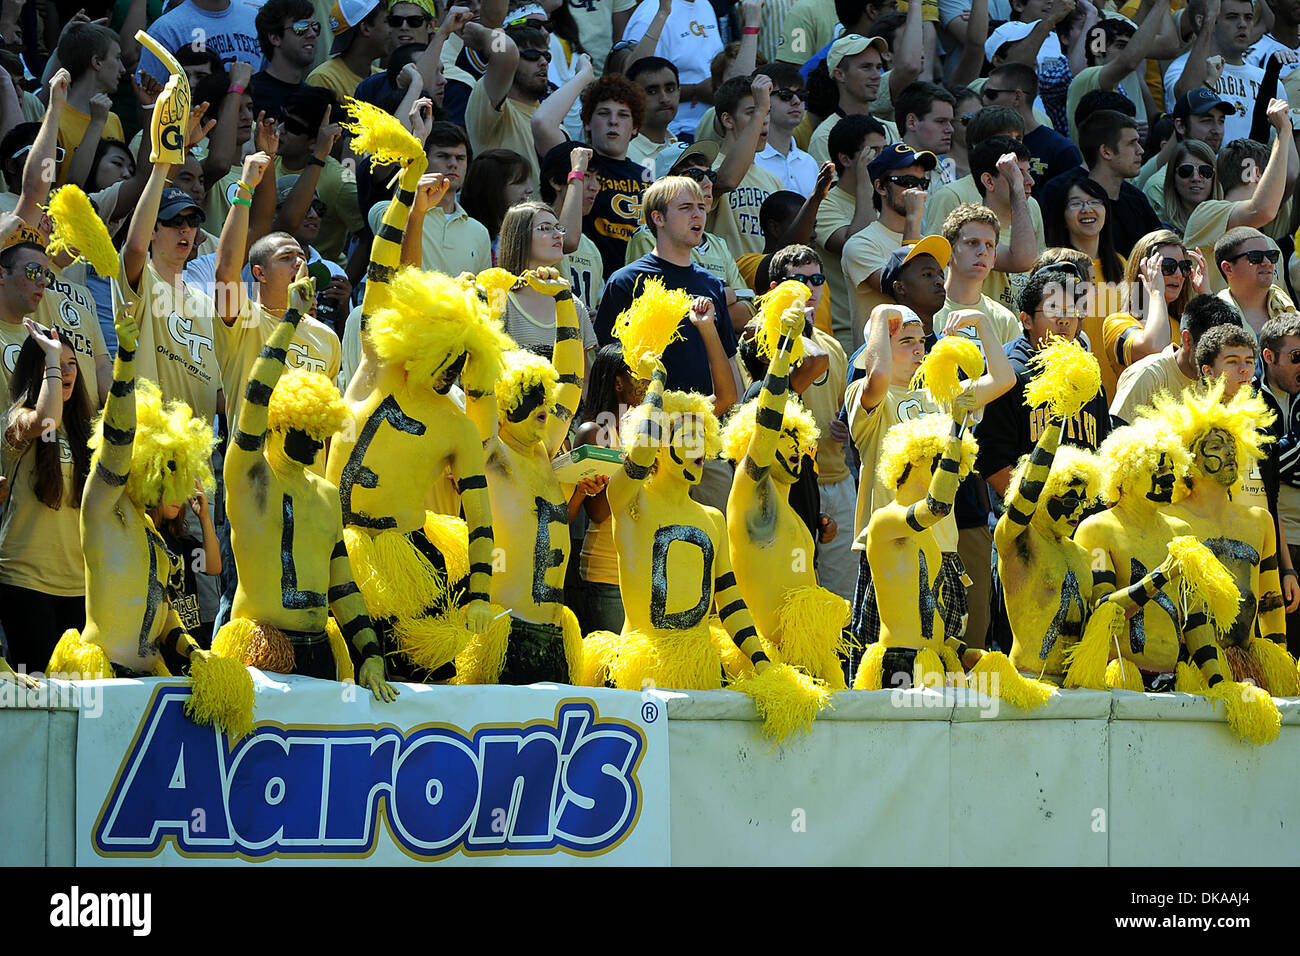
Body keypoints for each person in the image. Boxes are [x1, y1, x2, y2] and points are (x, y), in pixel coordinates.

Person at [328, 113, 511, 682]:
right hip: (334, 552)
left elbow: (480, 518)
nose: (450, 371)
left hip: (413, 566)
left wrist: (480, 592)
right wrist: (407, 194)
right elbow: (385, 278)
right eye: (444, 357)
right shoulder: (378, 370)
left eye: (461, 361)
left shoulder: (455, 423)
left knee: (418, 687)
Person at [220, 268, 397, 700]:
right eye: (309, 430)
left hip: (319, 655)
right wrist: (291, 320)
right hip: (259, 654)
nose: (319, 442)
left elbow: (343, 586)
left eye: (323, 433)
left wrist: (369, 653)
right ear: (280, 424)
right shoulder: (247, 473)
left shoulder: (324, 494)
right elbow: (255, 394)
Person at [847, 300, 1015, 658]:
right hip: (888, 547)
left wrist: (983, 322)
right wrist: (877, 314)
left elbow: (1004, 379)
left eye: (921, 340)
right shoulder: (865, 391)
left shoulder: (940, 397)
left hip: (942, 545)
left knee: (940, 653)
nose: (919, 348)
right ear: (878, 346)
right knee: (885, 653)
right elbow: (877, 377)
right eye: (906, 340)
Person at [723, 303, 850, 688]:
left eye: (800, 440)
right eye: (785, 439)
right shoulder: (751, 493)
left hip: (807, 659)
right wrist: (783, 350)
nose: (796, 449)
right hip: (764, 669)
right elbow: (766, 424)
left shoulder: (791, 514)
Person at [470, 268, 585, 684]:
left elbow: (571, 382)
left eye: (545, 396)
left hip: (554, 634)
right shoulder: (491, 452)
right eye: (530, 396)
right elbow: (479, 387)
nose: (545, 406)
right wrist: (483, 309)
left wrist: (563, 299)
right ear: (504, 406)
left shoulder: (543, 449)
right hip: (503, 631)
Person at [212, 151, 343, 446]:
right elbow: (224, 272)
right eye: (285, 257)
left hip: (311, 484)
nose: (298, 263)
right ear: (259, 273)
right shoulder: (243, 321)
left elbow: (331, 428)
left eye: (300, 256)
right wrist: (245, 190)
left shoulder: (327, 338)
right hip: (253, 477)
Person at [995, 356, 1105, 685]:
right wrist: (1058, 417)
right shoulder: (1016, 540)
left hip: (1075, 687)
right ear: (1045, 496)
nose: (1077, 510)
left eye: (1083, 501)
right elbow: (1026, 492)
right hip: (1028, 682)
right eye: (1069, 500)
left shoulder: (1080, 554)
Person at [0, 321, 92, 674]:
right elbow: (47, 418)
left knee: (77, 699)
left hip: (78, 587)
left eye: (71, 364)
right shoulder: (17, 421)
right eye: (54, 364)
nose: (66, 371)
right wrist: (51, 359)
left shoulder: (86, 429)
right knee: (35, 698)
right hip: (26, 582)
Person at [975, 267, 1112, 497]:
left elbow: (1103, 454)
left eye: (1071, 312)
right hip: (1024, 524)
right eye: (1052, 310)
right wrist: (1033, 512)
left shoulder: (1090, 379)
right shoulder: (1010, 375)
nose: (1064, 321)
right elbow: (992, 461)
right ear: (1026, 320)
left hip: (1082, 521)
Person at [1183, 107, 1298, 294]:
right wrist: (1282, 133)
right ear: (1255, 173)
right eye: (1272, 173)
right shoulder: (1206, 212)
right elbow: (1262, 210)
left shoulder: (1270, 245)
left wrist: (1286, 132)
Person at [571, 342, 643, 635]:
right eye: (640, 374)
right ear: (618, 382)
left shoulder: (647, 430)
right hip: (608, 575)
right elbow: (599, 513)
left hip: (644, 574)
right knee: (610, 677)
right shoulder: (596, 432)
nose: (649, 383)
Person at [841, 142, 935, 348]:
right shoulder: (860, 244)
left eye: (923, 183)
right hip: (877, 366)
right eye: (908, 182)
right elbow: (910, 294)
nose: (918, 190)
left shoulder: (929, 242)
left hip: (921, 359)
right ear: (881, 187)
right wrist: (913, 219)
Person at [1040, 109, 1161, 258]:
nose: (1140, 150)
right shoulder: (1062, 197)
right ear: (1106, 152)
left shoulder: (1137, 200)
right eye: (1132, 143)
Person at [1111, 292, 1245, 426]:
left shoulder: (1221, 381)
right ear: (1187, 340)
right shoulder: (1147, 375)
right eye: (1215, 347)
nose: (1222, 359)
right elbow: (1115, 439)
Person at [1102, 229, 1208, 391]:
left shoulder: (1182, 324)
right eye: (1167, 267)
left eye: (1184, 266)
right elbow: (1156, 351)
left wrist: (1205, 296)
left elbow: (1224, 354)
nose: (1179, 274)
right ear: (1143, 270)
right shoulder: (1117, 323)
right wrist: (1156, 291)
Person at [815, 113, 886, 355]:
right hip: (843, 332)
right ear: (845, 159)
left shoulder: (887, 198)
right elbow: (855, 244)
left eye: (884, 149)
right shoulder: (826, 203)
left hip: (887, 327)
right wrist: (866, 185)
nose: (882, 158)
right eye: (873, 151)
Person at [497, 201, 599, 365]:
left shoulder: (572, 304)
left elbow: (584, 380)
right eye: (546, 228)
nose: (558, 234)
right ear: (518, 236)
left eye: (559, 227)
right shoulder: (498, 299)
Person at [1167, 0, 1281, 145]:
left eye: (1248, 17)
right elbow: (1186, 101)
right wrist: (1208, 23)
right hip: (1199, 166)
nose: (1242, 24)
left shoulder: (1269, 81)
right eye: (1232, 17)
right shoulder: (1181, 69)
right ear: (1206, 21)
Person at [573, 72, 651, 278]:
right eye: (604, 113)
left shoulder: (648, 177)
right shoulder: (577, 164)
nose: (613, 121)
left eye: (623, 115)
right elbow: (542, 123)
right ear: (587, 122)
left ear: (635, 127)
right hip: (590, 280)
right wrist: (583, 74)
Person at [465, 20, 553, 191]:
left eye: (546, 56)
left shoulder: (549, 118)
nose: (543, 62)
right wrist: (482, 32)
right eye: (532, 54)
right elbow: (506, 51)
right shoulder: (491, 104)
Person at [1064, 3, 1169, 144]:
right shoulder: (1083, 77)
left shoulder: (1120, 87)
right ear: (1098, 49)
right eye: (1121, 46)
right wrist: (1160, 5)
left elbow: (1171, 46)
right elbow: (1128, 61)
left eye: (1130, 46)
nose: (1129, 52)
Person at [619, 0, 723, 137]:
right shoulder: (650, 15)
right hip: (674, 133)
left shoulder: (705, 4)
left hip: (714, 126)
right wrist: (695, 91)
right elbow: (632, 82)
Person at [402, 121, 492, 276]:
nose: (453, 164)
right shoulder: (388, 211)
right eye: (443, 156)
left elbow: (484, 293)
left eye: (460, 158)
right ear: (422, 161)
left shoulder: (480, 231)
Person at [965, 135, 1039, 314]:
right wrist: (1017, 186)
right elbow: (1023, 259)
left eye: (1028, 172)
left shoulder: (1026, 226)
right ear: (989, 181)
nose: (1030, 181)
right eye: (1018, 173)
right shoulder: (971, 233)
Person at [54, 22, 126, 187]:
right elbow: (47, 188)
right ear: (97, 62)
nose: (123, 69)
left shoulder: (113, 119)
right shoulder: (51, 124)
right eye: (117, 58)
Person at [807, 33, 893, 166]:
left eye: (878, 67)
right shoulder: (824, 137)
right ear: (840, 74)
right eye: (866, 67)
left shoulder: (892, 129)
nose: (877, 75)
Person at [540, 142, 604, 314]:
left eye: (597, 178)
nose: (595, 187)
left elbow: (598, 303)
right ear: (555, 181)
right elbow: (566, 241)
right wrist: (577, 172)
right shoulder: (533, 228)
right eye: (587, 175)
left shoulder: (591, 248)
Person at [138, 0, 265, 83]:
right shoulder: (166, 29)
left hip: (251, 119)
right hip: (193, 122)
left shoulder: (254, 18)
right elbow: (149, 98)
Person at [1215, 226, 1296, 338]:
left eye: (1271, 255)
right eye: (1256, 257)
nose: (1267, 262)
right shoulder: (1212, 322)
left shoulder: (1291, 314)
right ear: (1228, 268)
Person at [753, 63, 820, 195]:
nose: (796, 101)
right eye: (786, 94)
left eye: (801, 94)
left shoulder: (809, 163)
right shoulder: (750, 160)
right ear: (761, 99)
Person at [307, 0, 392, 101]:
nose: (391, 30)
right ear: (365, 28)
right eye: (386, 22)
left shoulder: (383, 78)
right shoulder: (324, 80)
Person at [252, 0, 321, 120]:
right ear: (275, 38)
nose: (312, 34)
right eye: (301, 27)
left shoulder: (314, 98)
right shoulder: (250, 95)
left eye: (315, 27)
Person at [461, 147, 535, 257]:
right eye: (520, 182)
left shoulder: (527, 232)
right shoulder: (465, 236)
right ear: (494, 188)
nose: (530, 189)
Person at [1145, 139, 1218, 235]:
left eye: (1205, 171)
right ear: (1173, 178)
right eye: (1186, 171)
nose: (1196, 178)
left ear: (1214, 178)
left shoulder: (1227, 224)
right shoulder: (1161, 232)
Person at [625, 55, 682, 171]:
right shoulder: (622, 152)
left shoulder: (680, 149)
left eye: (670, 89)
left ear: (679, 92)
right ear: (631, 98)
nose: (664, 98)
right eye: (652, 91)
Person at [895, 81, 957, 186]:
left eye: (950, 122)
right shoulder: (888, 171)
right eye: (940, 121)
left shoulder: (945, 171)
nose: (950, 129)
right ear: (912, 122)